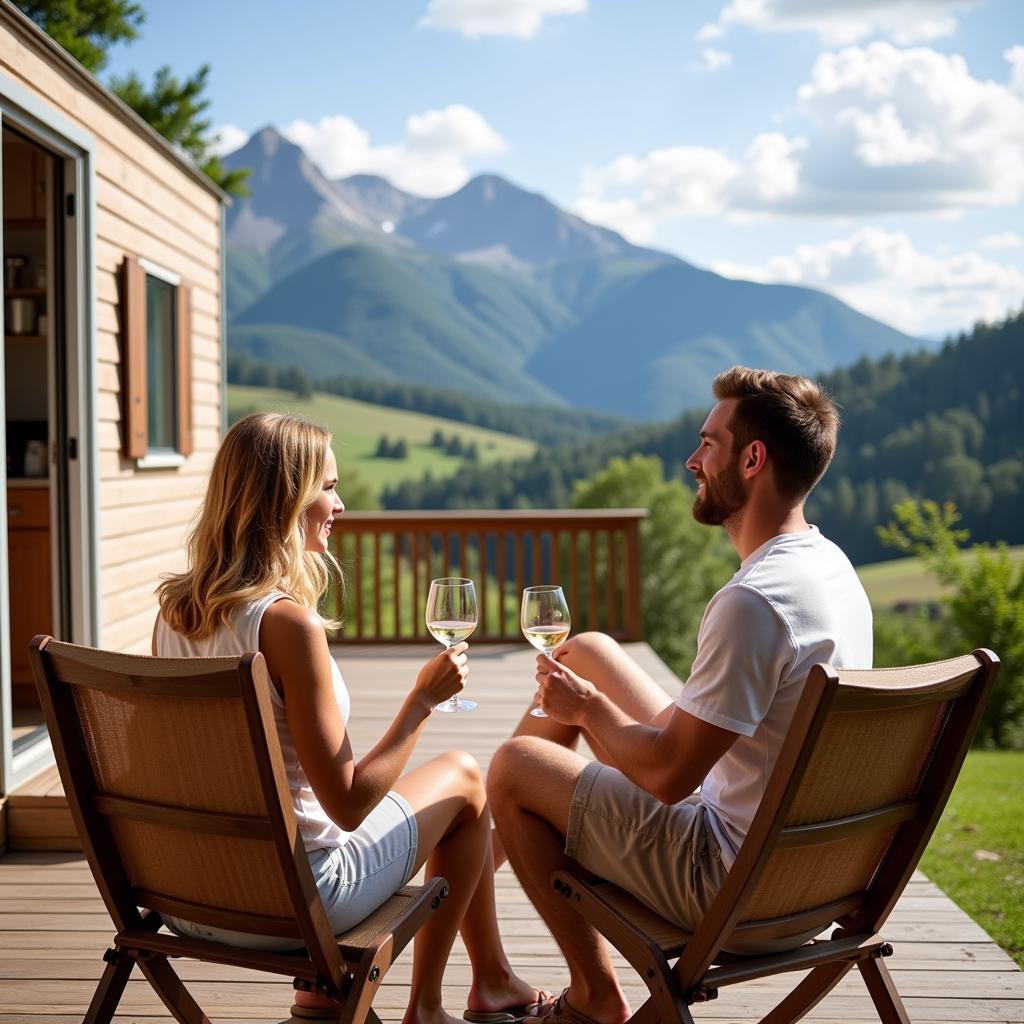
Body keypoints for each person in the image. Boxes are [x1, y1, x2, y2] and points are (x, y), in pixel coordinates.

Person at [487, 366, 873, 1024]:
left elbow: (667, 777)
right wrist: (596, 698)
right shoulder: (827, 567)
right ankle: (474, 876)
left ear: (753, 459)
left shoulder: (754, 603)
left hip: (731, 883)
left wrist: (585, 711)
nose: (693, 461)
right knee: (590, 651)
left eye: (708, 444)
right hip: (815, 875)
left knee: (516, 768)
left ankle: (591, 997)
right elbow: (700, 740)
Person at [154, 412, 545, 1024]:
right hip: (296, 904)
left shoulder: (173, 614)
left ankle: (332, 992)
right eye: (328, 487)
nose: (341, 504)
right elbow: (349, 806)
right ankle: (433, 1003)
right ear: (286, 499)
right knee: (466, 777)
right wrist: (420, 703)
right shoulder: (287, 627)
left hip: (191, 895)